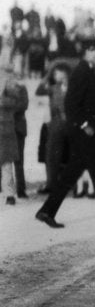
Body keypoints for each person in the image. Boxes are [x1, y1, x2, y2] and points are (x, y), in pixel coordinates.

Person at [36, 40, 95, 228]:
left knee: (70, 175)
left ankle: (46, 211)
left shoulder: (89, 70)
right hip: (85, 134)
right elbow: (71, 104)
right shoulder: (82, 71)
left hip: (89, 134)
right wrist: (85, 124)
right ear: (88, 51)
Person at [36, 62, 71, 194]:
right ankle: (51, 184)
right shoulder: (53, 88)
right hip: (55, 124)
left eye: (58, 73)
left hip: (70, 124)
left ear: (65, 74)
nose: (56, 76)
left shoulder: (73, 87)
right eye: (55, 74)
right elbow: (39, 91)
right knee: (52, 155)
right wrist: (48, 75)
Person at [0, 62, 27, 205]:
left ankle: (10, 194)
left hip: (7, 130)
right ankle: (8, 193)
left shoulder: (13, 87)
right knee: (6, 163)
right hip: (6, 129)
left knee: (6, 163)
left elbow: (17, 102)